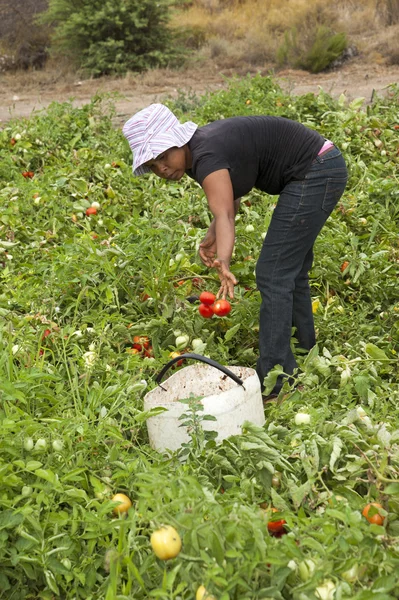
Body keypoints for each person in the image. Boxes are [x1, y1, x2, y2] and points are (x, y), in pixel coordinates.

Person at [122, 103, 348, 399]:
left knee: (273, 273)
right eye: (153, 165)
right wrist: (212, 235)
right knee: (290, 272)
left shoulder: (206, 156)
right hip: (320, 165)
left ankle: (277, 382)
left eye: (163, 156)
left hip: (315, 171)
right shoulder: (197, 154)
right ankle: (304, 351)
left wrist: (224, 259)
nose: (161, 168)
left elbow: (226, 214)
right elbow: (231, 200)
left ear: (179, 140)